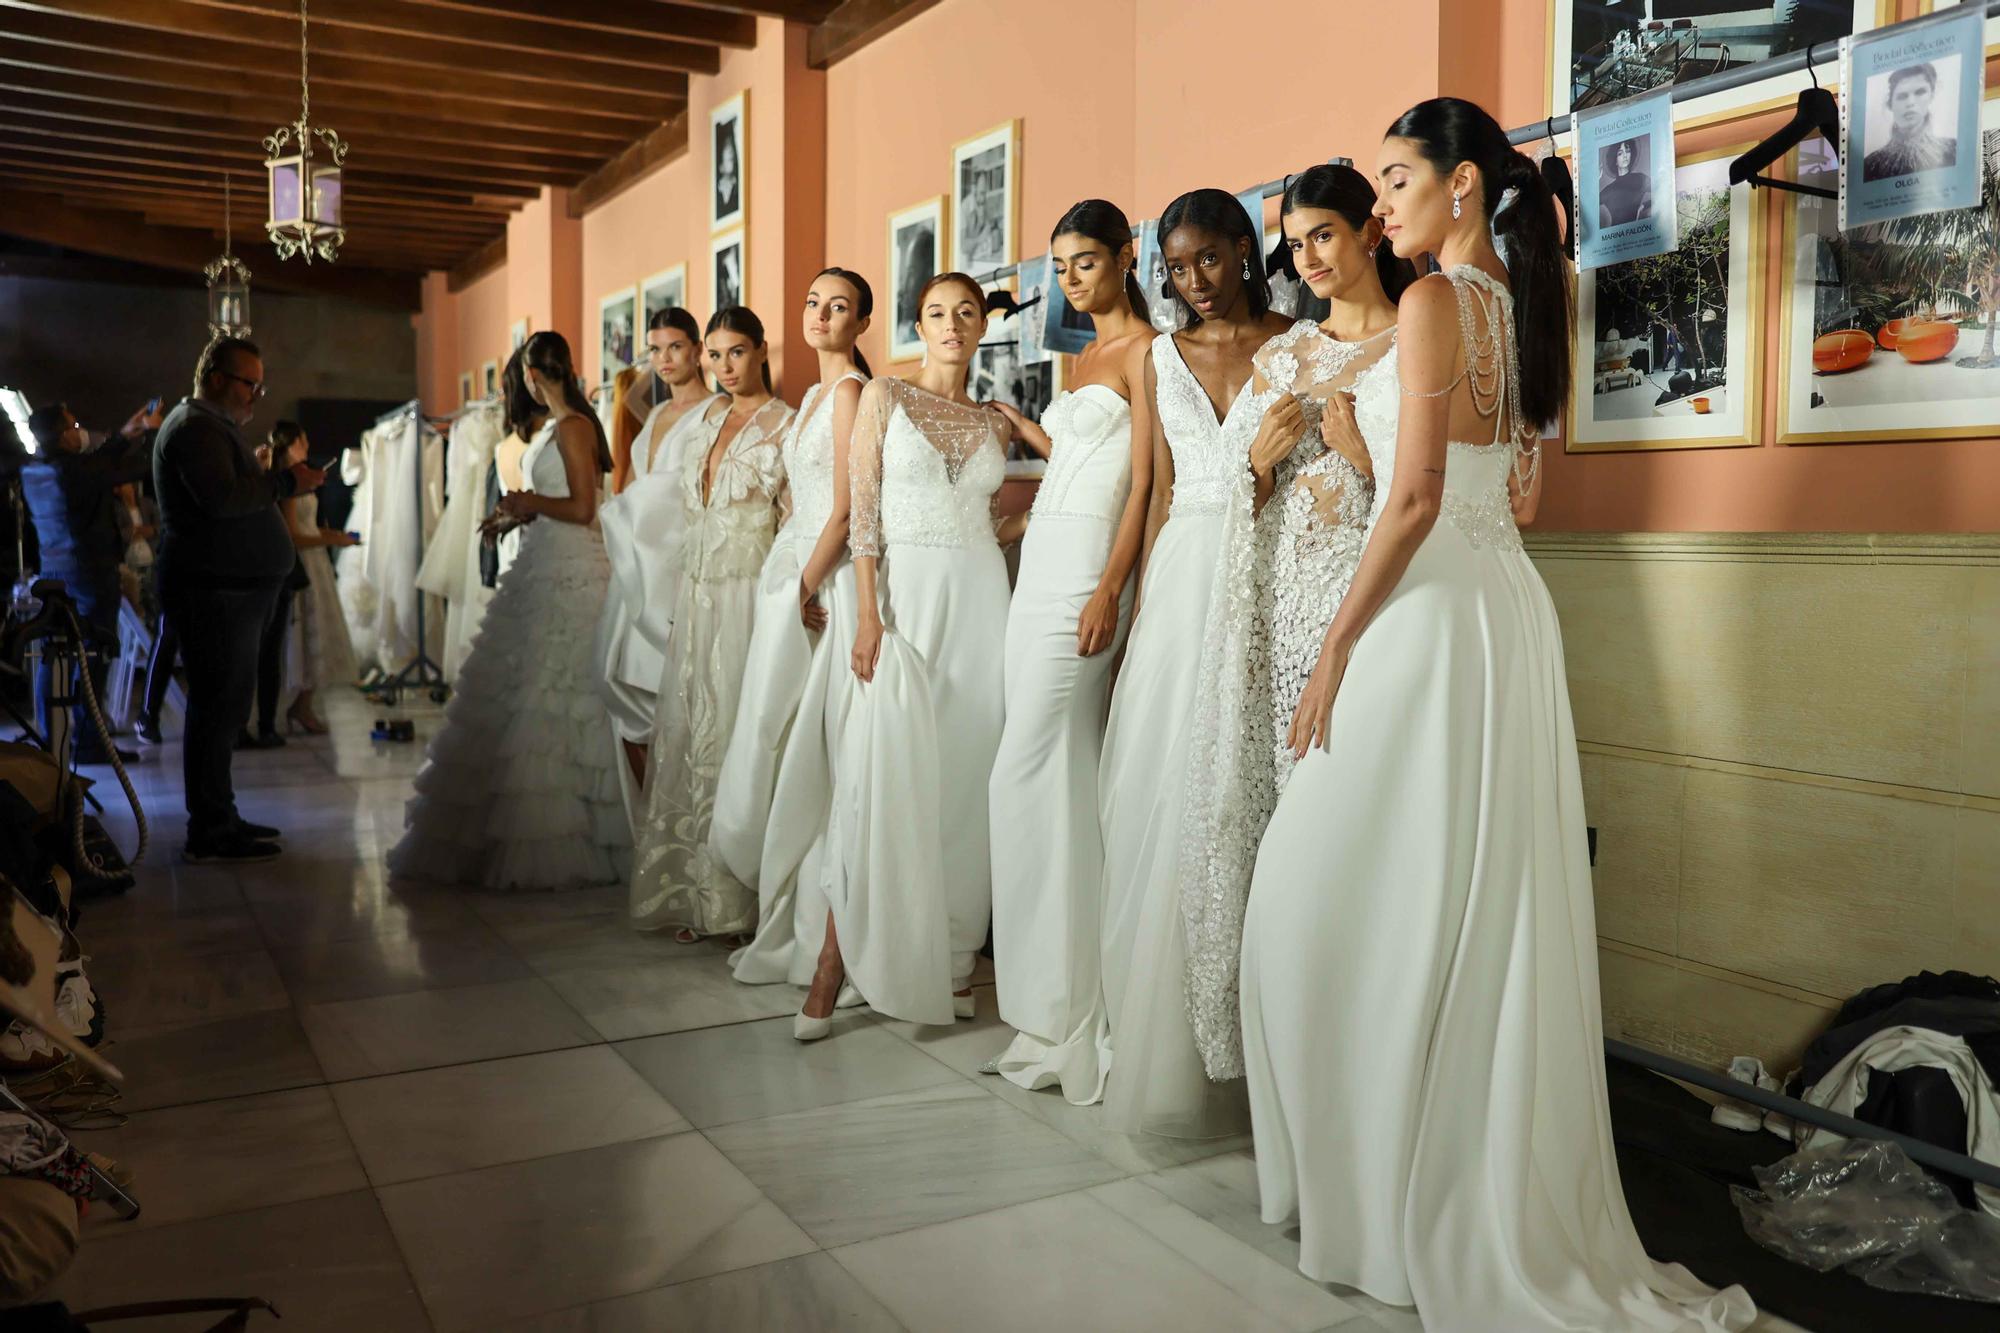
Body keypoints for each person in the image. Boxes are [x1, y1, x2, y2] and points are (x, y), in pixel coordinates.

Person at [1238, 97, 1756, 1330]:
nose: (1381, 207)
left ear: (1461, 185)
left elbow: (1411, 501)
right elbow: (1514, 494)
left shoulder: (1429, 303)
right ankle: (1407, 1179)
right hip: (1502, 615)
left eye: (1398, 181)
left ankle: (1380, 1197)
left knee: (1318, 901)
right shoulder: (1530, 299)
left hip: (1421, 615)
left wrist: (1331, 650)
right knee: (1453, 901)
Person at [1178, 164, 1407, 1087]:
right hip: (1280, 609)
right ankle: (1290, 1061)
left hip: (1374, 604)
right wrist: (1260, 470)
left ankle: (1367, 1053)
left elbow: (1441, 490)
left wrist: (1359, 454)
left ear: (1370, 233)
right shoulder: (1284, 357)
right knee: (1284, 829)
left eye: (1325, 234)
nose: (1309, 256)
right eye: (1297, 239)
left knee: (1358, 824)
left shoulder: (1416, 341)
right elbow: (1236, 500)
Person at [1096, 188, 1290, 1138]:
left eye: (1208, 258)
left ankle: (1266, 1062)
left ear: (1246, 250)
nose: (1194, 282)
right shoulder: (1154, 358)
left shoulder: (1299, 344)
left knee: (1249, 795)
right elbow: (1161, 491)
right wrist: (1135, 615)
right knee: (1167, 798)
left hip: (1265, 579)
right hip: (1180, 588)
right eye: (1175, 266)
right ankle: (1172, 1056)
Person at [793, 273, 1010, 1039]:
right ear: (917, 325)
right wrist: (867, 615)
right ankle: (835, 959)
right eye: (936, 314)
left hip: (983, 606)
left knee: (963, 779)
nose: (952, 325)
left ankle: (948, 961)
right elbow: (863, 515)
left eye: (966, 313)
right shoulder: (885, 394)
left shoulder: (994, 423)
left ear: (984, 325)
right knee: (874, 774)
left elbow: (1010, 510)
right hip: (903, 600)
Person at [981, 200, 1153, 1105]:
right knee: (1046, 773)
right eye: (1059, 266)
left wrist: (1110, 588)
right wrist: (1031, 449)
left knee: (1028, 769)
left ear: (1128, 257)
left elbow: (1147, 485)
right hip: (1041, 558)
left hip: (1086, 574)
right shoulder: (1079, 358)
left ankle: (1074, 1002)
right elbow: (1084, 464)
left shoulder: (1150, 352)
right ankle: (1050, 1004)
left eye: (1086, 260)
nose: (1070, 280)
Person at [387, 331, 629, 891]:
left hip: (568, 567)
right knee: (528, 691)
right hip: (545, 556)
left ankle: (581, 834)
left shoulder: (572, 426)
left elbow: (584, 506)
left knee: (556, 694)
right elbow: (562, 503)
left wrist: (527, 503)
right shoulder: (556, 427)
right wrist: (516, 517)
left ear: (533, 376)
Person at [627, 308, 793, 941]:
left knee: (739, 729)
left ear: (760, 351)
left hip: (750, 596)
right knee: (693, 729)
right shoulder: (702, 425)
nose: (725, 368)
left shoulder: (786, 425)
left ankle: (746, 901)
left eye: (737, 353)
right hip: (697, 595)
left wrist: (793, 594)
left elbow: (792, 521)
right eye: (715, 356)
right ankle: (701, 895)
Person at [710, 270, 870, 907]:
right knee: (775, 723)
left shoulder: (852, 392)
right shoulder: (810, 397)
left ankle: (819, 897)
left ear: (860, 324)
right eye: (812, 302)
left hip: (824, 577)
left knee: (809, 735)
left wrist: (801, 589)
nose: (822, 316)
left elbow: (846, 509)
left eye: (838, 307)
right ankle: (780, 884)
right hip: (793, 563)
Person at [152, 336, 324, 863]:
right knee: (216, 710)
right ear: (218, 378)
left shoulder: (211, 427)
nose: (257, 395)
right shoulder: (194, 428)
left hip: (233, 589)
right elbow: (223, 500)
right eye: (251, 384)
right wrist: (283, 482)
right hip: (215, 589)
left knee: (226, 711)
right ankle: (209, 827)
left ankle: (220, 815)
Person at [595, 307, 722, 803]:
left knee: (675, 700)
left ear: (696, 350)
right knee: (623, 694)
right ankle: (655, 825)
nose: (664, 359)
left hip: (678, 568)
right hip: (636, 570)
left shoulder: (715, 412)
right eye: (655, 349)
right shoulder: (649, 416)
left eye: (674, 347)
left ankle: (684, 824)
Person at [20, 399, 160, 765]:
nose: (80, 430)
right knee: (94, 656)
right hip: (90, 572)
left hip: (54, 572)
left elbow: (97, 464)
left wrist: (126, 433)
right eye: (74, 424)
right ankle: (88, 740)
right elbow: (125, 469)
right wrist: (152, 433)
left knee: (55, 654)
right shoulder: (76, 471)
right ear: (62, 435)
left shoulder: (34, 468)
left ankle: (51, 737)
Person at [276, 424, 360, 735]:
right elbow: (294, 535)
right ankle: (298, 704)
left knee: (319, 632)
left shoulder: (303, 477)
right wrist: (330, 540)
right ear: (293, 444)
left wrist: (335, 536)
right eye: (304, 440)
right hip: (302, 564)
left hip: (316, 561)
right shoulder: (289, 481)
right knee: (305, 632)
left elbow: (309, 528)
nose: (308, 445)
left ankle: (304, 703)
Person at [237, 424, 311, 751]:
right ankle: (249, 725)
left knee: (269, 654)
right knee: (255, 654)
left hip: (280, 574)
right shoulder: (271, 485)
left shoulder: (284, 481)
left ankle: (266, 723)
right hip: (258, 573)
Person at [1864, 62, 1958, 182]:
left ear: (1931, 95)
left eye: (1920, 92)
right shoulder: (1870, 165)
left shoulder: (1954, 150)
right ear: (1890, 103)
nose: (1910, 103)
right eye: (1902, 96)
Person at [1597, 136, 1651, 226]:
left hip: (1637, 233)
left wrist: (1644, 206)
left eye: (1628, 151)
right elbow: (1590, 208)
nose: (1625, 155)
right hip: (1614, 236)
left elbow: (1661, 190)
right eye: (1620, 153)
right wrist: (1597, 179)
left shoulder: (1640, 179)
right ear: (1615, 160)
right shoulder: (1608, 190)